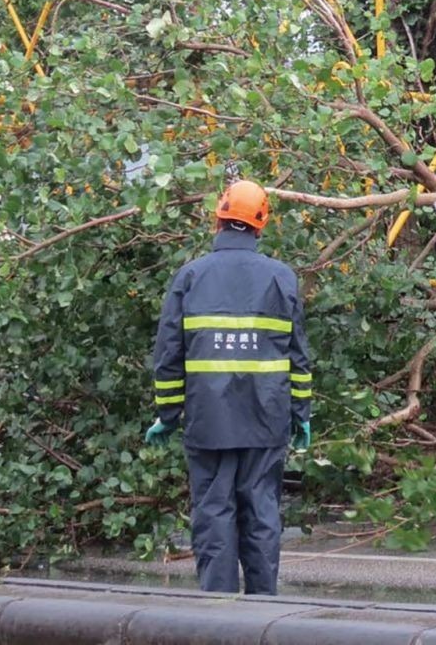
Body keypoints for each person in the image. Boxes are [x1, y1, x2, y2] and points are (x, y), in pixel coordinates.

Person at [145, 179, 312, 595]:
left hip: (208, 422)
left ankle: (216, 622)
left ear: (218, 220)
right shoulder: (281, 278)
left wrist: (167, 416)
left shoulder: (190, 276)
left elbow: (168, 355)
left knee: (214, 515)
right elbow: (299, 357)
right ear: (260, 225)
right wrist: (301, 414)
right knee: (261, 514)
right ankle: (261, 618)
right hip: (266, 419)